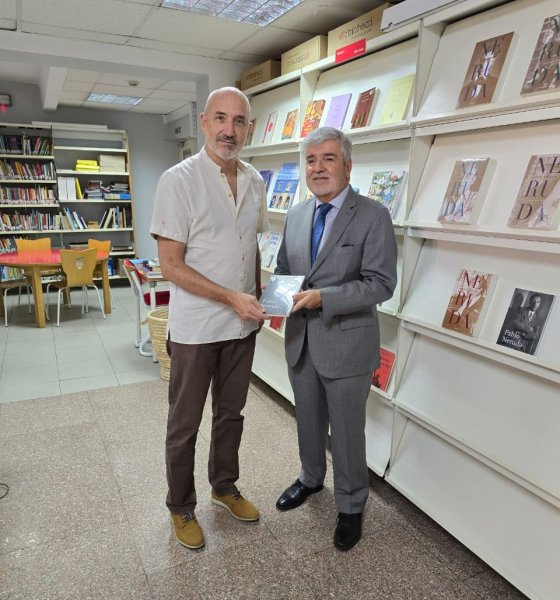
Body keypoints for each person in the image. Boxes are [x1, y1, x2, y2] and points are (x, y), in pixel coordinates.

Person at [150, 86, 268, 550]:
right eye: (220, 118)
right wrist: (231, 297)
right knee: (184, 424)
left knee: (231, 414)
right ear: (204, 122)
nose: (228, 130)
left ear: (249, 129)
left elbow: (250, 248)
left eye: (238, 121)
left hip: (242, 327)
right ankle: (181, 507)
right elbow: (171, 266)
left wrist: (259, 296)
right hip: (197, 329)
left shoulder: (255, 181)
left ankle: (224, 486)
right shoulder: (178, 180)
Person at [274, 127, 397, 551]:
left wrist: (325, 297)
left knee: (346, 432)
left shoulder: (373, 215)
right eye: (311, 160)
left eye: (328, 158)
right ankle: (310, 478)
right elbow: (284, 269)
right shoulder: (296, 215)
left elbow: (381, 283)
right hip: (301, 341)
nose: (318, 168)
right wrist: (275, 297)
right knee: (307, 420)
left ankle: (350, 504)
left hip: (347, 344)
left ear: (347, 165)